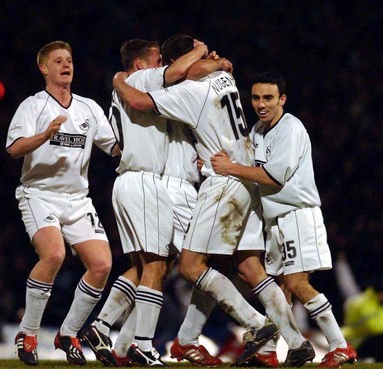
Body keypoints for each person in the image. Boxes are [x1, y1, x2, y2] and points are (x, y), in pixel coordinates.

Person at [112, 34, 282, 367]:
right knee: (241, 267)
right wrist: (213, 60)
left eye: (166, 62)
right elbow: (191, 73)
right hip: (243, 175)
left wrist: (119, 81)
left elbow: (142, 101)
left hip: (222, 181)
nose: (164, 69)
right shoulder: (224, 77)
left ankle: (258, 326)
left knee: (182, 266)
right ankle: (267, 346)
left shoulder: (190, 90)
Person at [210, 71, 358, 368]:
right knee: (282, 289)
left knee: (296, 282)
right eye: (255, 98)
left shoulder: (291, 128)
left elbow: (273, 178)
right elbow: (245, 162)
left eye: (268, 98)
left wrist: (230, 168)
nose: (261, 104)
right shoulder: (259, 130)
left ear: (282, 99)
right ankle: (279, 349)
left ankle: (340, 346)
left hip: (297, 215)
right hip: (275, 220)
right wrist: (214, 164)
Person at [80, 38, 212, 367]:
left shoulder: (128, 83)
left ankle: (100, 326)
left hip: (135, 180)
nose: (162, 64)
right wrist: (202, 51)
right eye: (157, 60)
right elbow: (180, 71)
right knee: (155, 266)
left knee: (149, 266)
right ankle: (142, 344)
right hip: (144, 180)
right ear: (140, 64)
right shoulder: (139, 79)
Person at [6, 40, 120, 366]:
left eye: (68, 60)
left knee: (101, 265)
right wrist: (44, 135)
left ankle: (68, 333)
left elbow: (114, 148)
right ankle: (28, 333)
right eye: (57, 61)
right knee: (54, 254)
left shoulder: (88, 108)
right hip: (39, 194)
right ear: (44, 68)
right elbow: (13, 149)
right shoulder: (33, 106)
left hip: (77, 200)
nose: (65, 65)